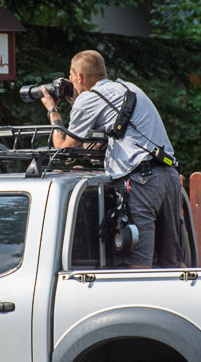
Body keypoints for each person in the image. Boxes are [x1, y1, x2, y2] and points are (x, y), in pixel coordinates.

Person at [40, 49, 184, 268]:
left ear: (79, 77)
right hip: (169, 175)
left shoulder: (88, 99)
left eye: (71, 78)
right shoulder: (128, 88)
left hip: (141, 181)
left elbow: (63, 147)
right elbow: (100, 138)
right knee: (173, 263)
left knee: (138, 265)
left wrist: (53, 111)